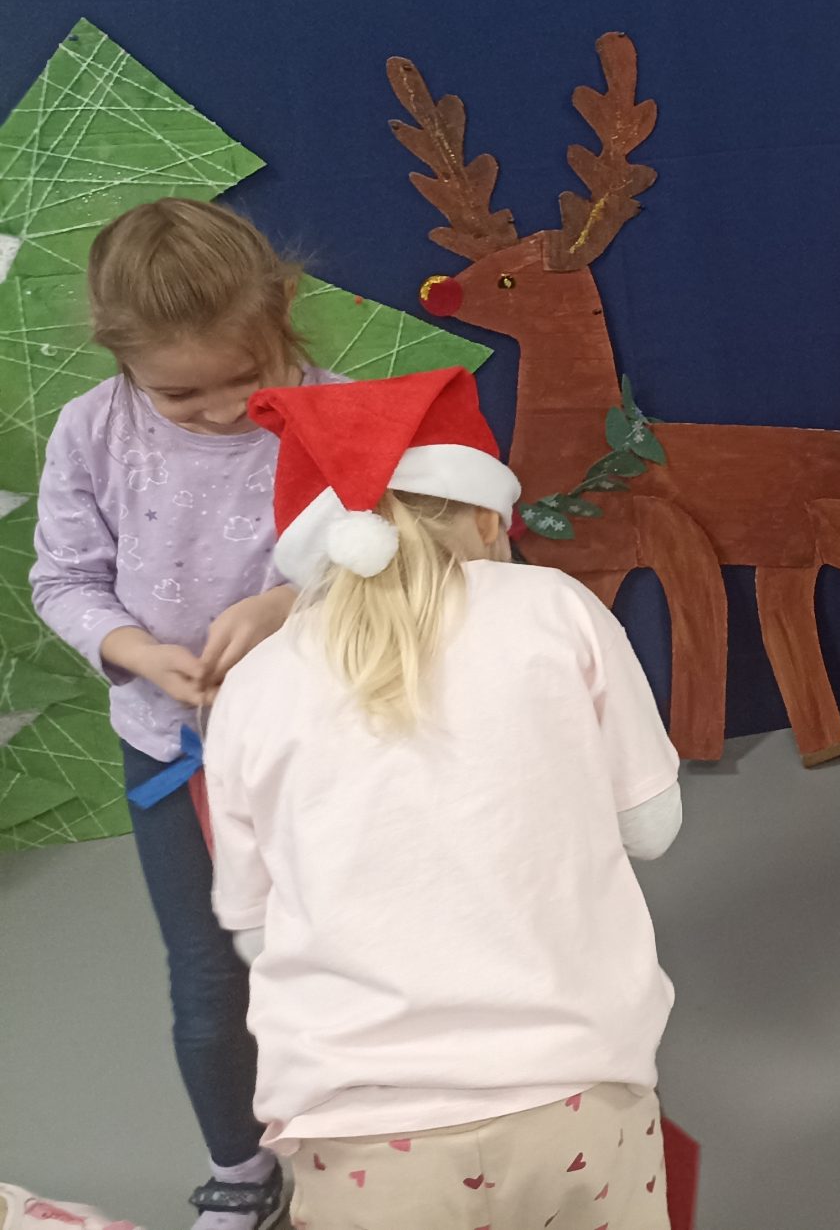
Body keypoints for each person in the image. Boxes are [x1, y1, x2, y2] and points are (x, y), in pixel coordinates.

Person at [203, 366, 683, 1226]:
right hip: (573, 1093)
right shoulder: (559, 609)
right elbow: (650, 825)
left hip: (355, 1130)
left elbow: (251, 926)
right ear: (489, 515)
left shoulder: (252, 686)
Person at [29, 201, 339, 1230]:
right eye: (179, 393)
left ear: (282, 310)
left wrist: (288, 604)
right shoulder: (93, 432)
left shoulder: (339, 413)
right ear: (118, 356)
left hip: (326, 745)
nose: (217, 411)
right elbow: (65, 578)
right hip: (175, 753)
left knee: (345, 950)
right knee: (209, 982)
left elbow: (402, 558)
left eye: (244, 377)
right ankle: (242, 1168)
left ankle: (362, 1138)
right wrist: (135, 650)